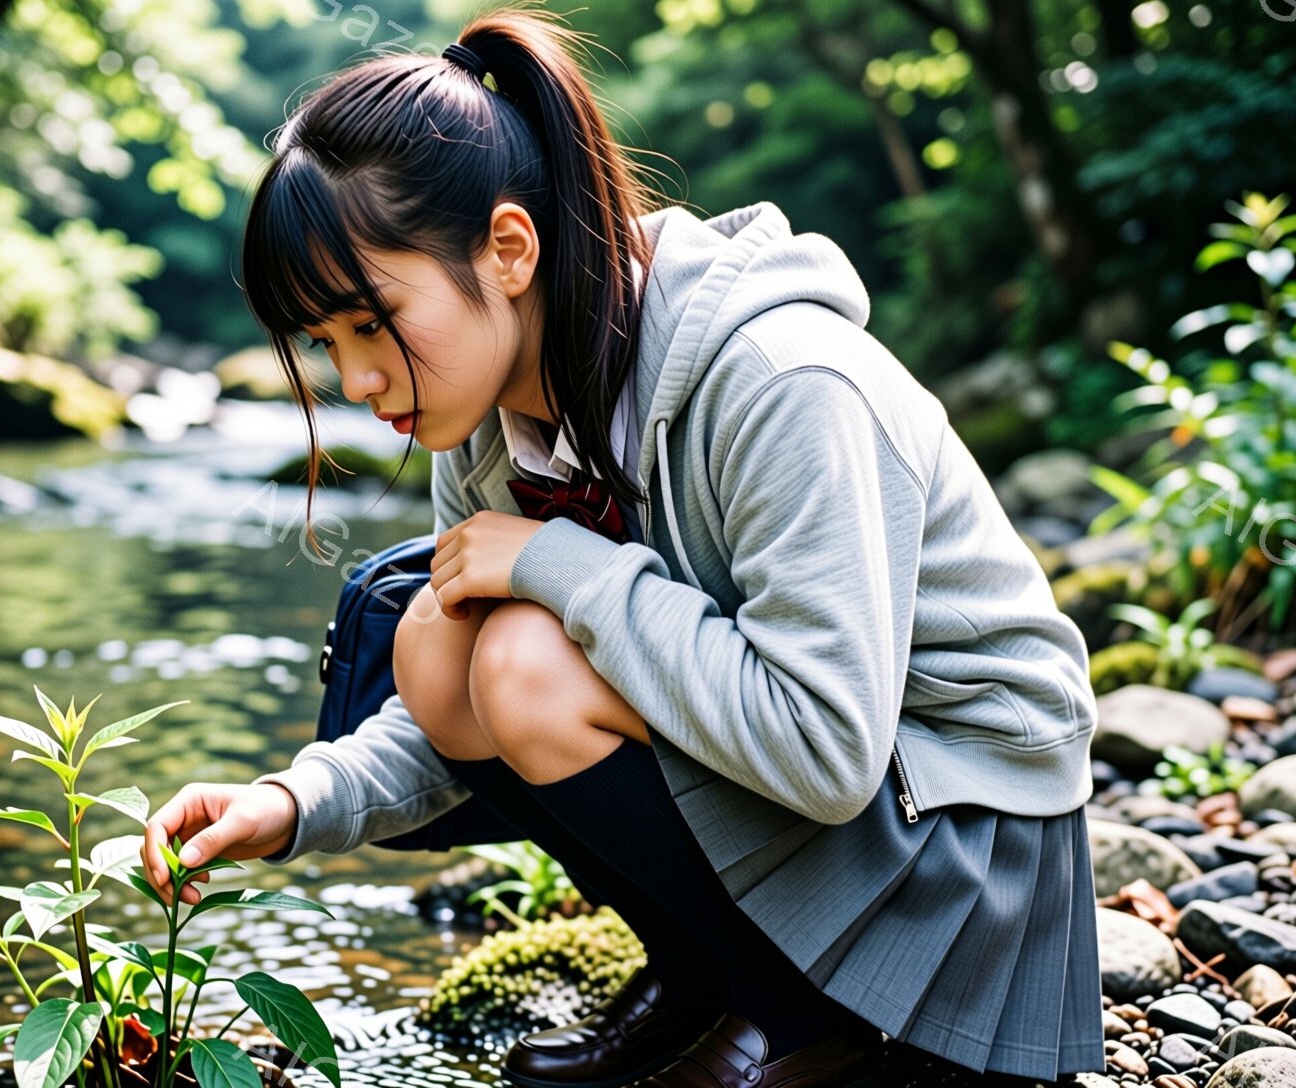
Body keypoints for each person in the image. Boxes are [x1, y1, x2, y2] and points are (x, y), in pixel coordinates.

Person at [139, 7, 1105, 1088]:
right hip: (841, 816)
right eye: (325, 342)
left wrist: (568, 569)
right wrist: (294, 802)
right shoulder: (498, 415)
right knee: (438, 641)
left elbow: (829, 749)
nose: (355, 381)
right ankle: (710, 983)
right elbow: (451, 709)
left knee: (516, 654)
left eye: (372, 322)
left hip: (964, 862)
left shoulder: (783, 378)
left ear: (508, 249)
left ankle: (804, 1023)